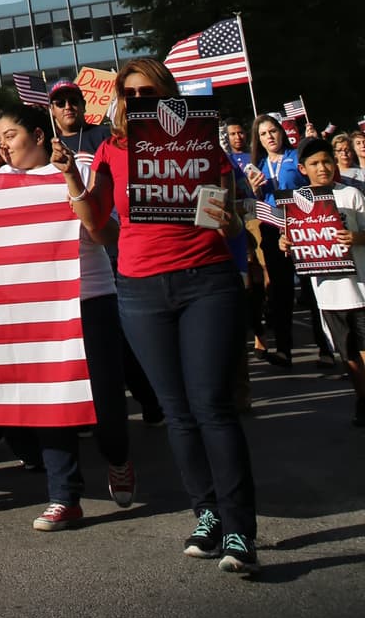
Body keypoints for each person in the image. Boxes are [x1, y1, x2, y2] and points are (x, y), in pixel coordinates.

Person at [69, 59, 259, 576]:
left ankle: (240, 529)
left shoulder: (201, 143)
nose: (138, 100)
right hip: (140, 290)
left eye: (147, 91)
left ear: (168, 94)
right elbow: (100, 229)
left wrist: (229, 218)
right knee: (176, 413)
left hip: (206, 282)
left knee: (212, 407)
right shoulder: (110, 150)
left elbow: (236, 221)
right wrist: (70, 178)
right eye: (129, 93)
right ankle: (207, 514)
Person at [0, 107, 135, 525]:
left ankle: (118, 457)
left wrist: (71, 178)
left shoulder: (82, 167)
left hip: (90, 297)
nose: (3, 146)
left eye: (10, 135)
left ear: (39, 136)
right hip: (37, 306)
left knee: (105, 398)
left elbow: (107, 233)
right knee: (51, 401)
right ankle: (64, 495)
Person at [286, 137, 365, 427]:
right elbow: (294, 239)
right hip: (328, 294)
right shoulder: (296, 201)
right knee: (348, 354)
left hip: (360, 288)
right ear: (303, 169)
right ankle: (362, 400)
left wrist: (356, 237)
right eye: (315, 163)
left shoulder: (351, 195)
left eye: (327, 161)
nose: (322, 168)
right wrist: (286, 242)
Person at [246, 113, 304, 366]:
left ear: (281, 132)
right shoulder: (258, 165)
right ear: (258, 140)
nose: (269, 137)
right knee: (280, 291)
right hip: (272, 229)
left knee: (311, 288)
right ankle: (283, 349)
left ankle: (326, 349)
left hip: (301, 225)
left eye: (272, 131)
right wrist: (255, 188)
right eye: (263, 134)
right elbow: (256, 202)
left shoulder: (296, 157)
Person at [48, 82, 102, 157]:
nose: (68, 107)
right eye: (60, 103)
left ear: (83, 105)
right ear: (52, 110)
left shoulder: (104, 135)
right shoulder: (47, 146)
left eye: (73, 101)